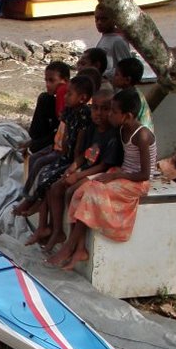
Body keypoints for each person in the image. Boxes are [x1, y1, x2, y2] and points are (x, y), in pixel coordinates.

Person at [47, 89, 157, 270]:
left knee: (91, 194)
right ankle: (80, 248)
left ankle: (69, 247)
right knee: (78, 192)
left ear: (128, 116)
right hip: (121, 174)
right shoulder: (121, 128)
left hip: (136, 182)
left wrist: (116, 175)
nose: (109, 115)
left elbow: (145, 175)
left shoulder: (142, 135)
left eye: (113, 112)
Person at [39, 89, 122, 252]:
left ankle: (75, 241)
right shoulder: (92, 128)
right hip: (86, 169)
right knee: (54, 187)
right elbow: (83, 156)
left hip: (100, 172)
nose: (98, 113)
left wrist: (78, 175)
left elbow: (104, 166)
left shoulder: (113, 135)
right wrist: (73, 168)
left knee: (71, 191)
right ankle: (57, 231)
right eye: (95, 108)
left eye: (104, 109)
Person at [17, 75, 93, 222]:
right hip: (64, 154)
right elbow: (65, 137)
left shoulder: (84, 115)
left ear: (82, 98)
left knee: (49, 177)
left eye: (69, 94)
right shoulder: (69, 112)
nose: (65, 97)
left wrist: (73, 165)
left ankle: (36, 204)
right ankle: (29, 199)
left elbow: (79, 145)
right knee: (41, 167)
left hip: (73, 160)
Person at [25, 61, 70, 154]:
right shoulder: (57, 95)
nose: (48, 84)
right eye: (46, 80)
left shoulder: (63, 91)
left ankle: (34, 141)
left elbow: (62, 123)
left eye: (52, 80)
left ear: (65, 80)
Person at [112, 56, 153, 131]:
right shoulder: (130, 93)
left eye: (117, 74)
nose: (113, 77)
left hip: (139, 136)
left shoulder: (130, 97)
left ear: (127, 80)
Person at [93, 5, 132, 80]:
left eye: (104, 19)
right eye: (97, 19)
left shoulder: (118, 41)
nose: (99, 22)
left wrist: (102, 75)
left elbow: (126, 67)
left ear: (114, 20)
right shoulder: (105, 37)